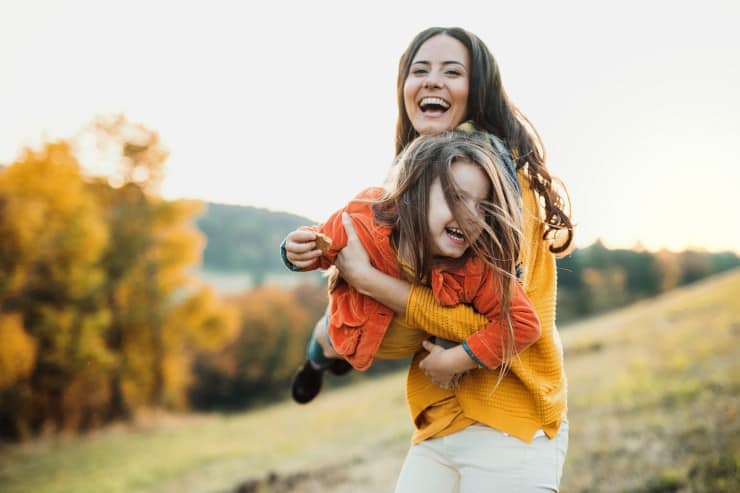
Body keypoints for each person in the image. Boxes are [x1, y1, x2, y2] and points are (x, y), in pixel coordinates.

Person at [284, 26, 574, 492]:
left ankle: (327, 351)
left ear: (476, 91)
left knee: (341, 326)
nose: (432, 80)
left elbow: (505, 325)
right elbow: (356, 232)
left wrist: (372, 283)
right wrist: (301, 249)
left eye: (452, 72)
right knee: (334, 330)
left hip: (509, 421)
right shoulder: (409, 182)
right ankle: (321, 356)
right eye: (420, 70)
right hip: (439, 423)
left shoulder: (497, 191)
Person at [283, 130, 541, 389]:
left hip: (404, 345)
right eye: (457, 198)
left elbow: (523, 324)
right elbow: (322, 239)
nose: (473, 217)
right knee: (325, 342)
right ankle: (313, 367)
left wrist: (454, 361)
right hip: (349, 324)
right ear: (416, 193)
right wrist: (295, 250)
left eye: (482, 207)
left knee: (455, 330)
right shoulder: (366, 218)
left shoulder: (475, 268)